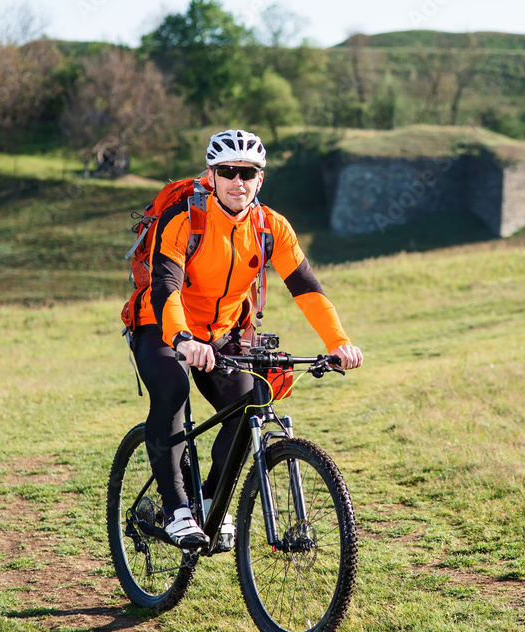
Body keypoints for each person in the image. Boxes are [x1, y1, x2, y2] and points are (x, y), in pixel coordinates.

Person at [131, 129, 364, 549]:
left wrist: (338, 342)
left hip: (223, 335)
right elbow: (165, 284)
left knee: (253, 402)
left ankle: (209, 499)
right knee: (171, 390)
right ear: (212, 175)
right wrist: (182, 339)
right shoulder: (185, 219)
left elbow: (307, 288)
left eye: (248, 173)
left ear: (261, 178)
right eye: (228, 172)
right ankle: (176, 509)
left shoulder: (270, 227)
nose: (238, 181)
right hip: (163, 326)